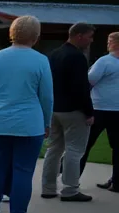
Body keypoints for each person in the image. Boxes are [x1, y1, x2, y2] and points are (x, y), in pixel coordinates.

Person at [0, 16, 54, 213]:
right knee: (23, 170)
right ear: (36, 36)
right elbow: (46, 96)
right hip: (29, 122)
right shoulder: (40, 60)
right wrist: (47, 122)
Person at [42, 22, 96, 202]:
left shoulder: (53, 54)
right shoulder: (77, 57)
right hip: (73, 110)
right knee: (74, 150)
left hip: (55, 108)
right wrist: (89, 112)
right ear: (79, 36)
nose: (91, 41)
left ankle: (48, 187)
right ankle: (70, 189)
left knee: (54, 148)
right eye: (89, 37)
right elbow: (81, 88)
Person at [82, 31, 119, 191]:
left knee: (85, 144)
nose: (107, 44)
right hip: (117, 110)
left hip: (99, 108)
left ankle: (72, 181)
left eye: (110, 41)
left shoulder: (104, 61)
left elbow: (89, 80)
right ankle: (116, 182)